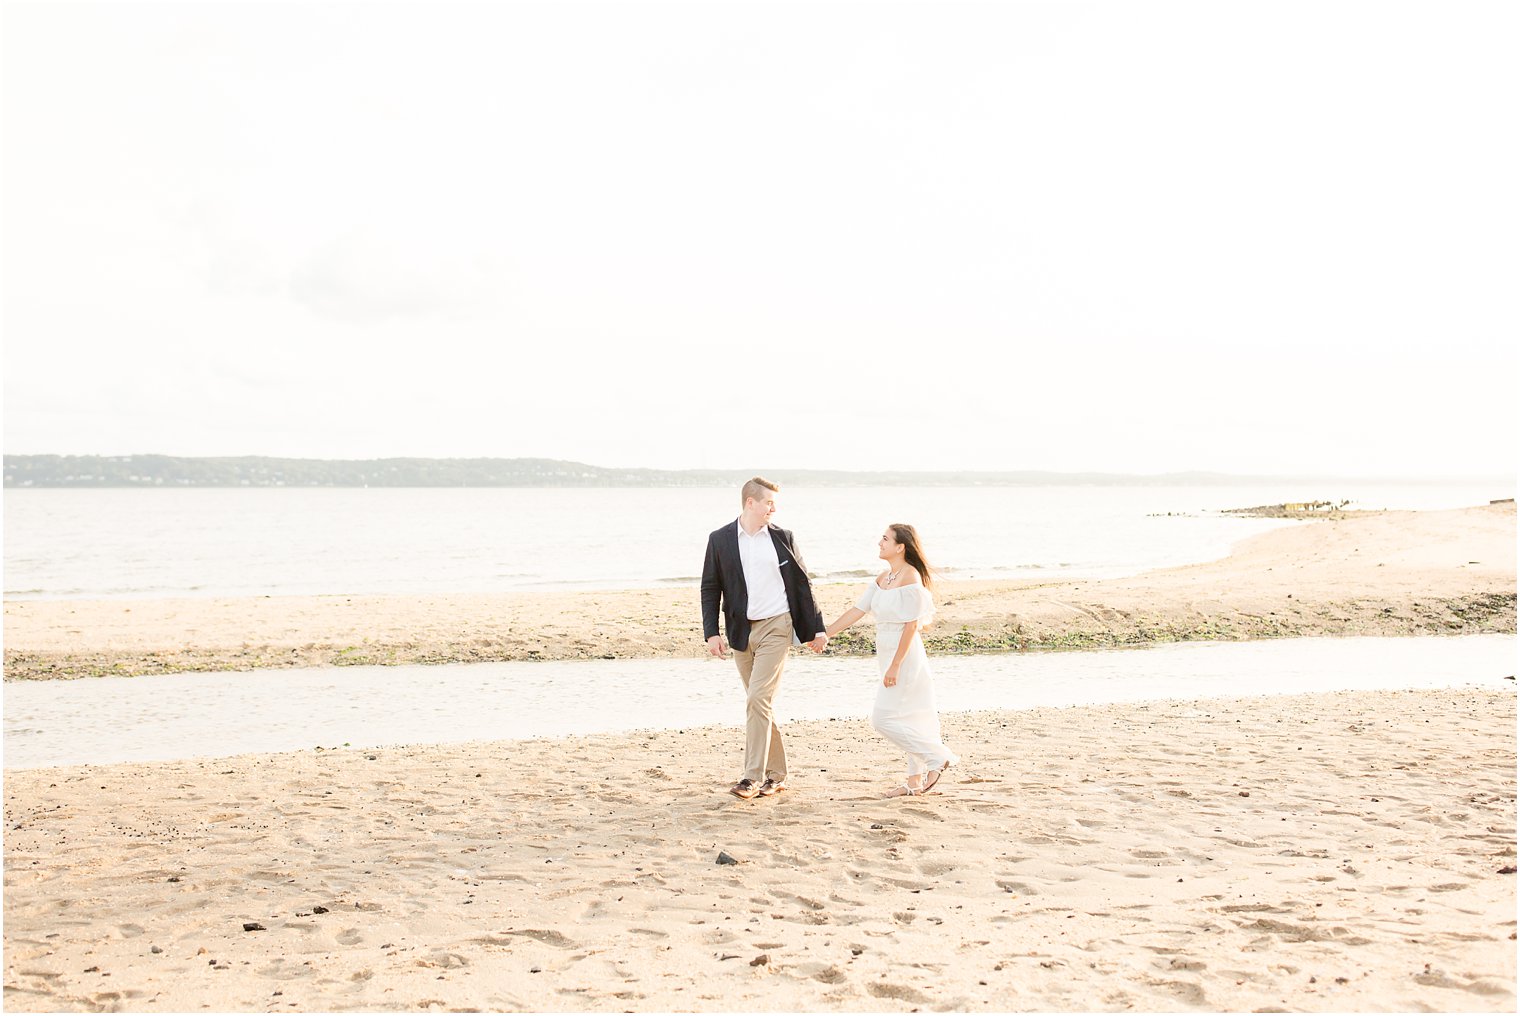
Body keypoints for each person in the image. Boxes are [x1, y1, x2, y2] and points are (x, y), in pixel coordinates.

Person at [701, 477, 828, 800]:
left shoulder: (783, 538)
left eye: (774, 503)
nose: (774, 508)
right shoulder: (721, 539)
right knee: (761, 703)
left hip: (777, 626)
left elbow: (803, 584)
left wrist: (817, 627)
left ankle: (751, 777)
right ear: (750, 503)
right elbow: (710, 587)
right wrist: (711, 632)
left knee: (757, 699)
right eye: (768, 502)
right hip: (741, 631)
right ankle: (778, 774)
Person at [823, 523, 959, 798]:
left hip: (904, 654)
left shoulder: (910, 577)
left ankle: (938, 757)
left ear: (900, 547)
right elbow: (857, 610)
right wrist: (824, 634)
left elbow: (911, 626)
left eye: (885, 539)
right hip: (886, 650)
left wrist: (895, 665)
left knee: (882, 719)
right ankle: (913, 782)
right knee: (911, 717)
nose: (879, 542)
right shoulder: (884, 577)